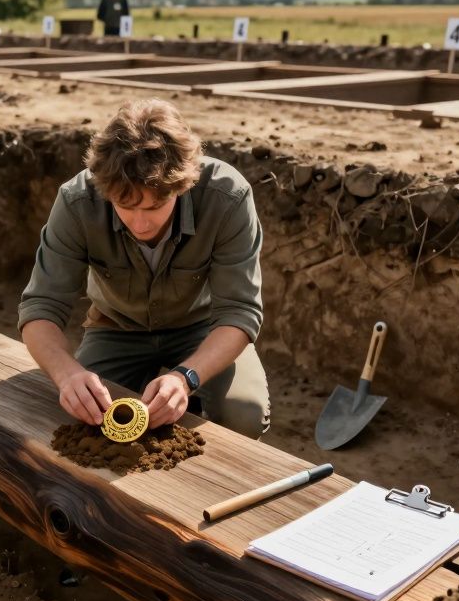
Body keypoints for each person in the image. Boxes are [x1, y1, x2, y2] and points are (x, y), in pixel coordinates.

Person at [19, 99, 270, 440]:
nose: (140, 223)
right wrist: (68, 375)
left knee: (246, 416)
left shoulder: (228, 196)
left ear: (183, 186)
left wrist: (186, 378)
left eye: (155, 206)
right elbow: (40, 308)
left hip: (202, 328)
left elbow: (239, 313)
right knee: (87, 420)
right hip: (117, 328)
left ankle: (184, 406)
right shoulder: (76, 201)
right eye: (125, 205)